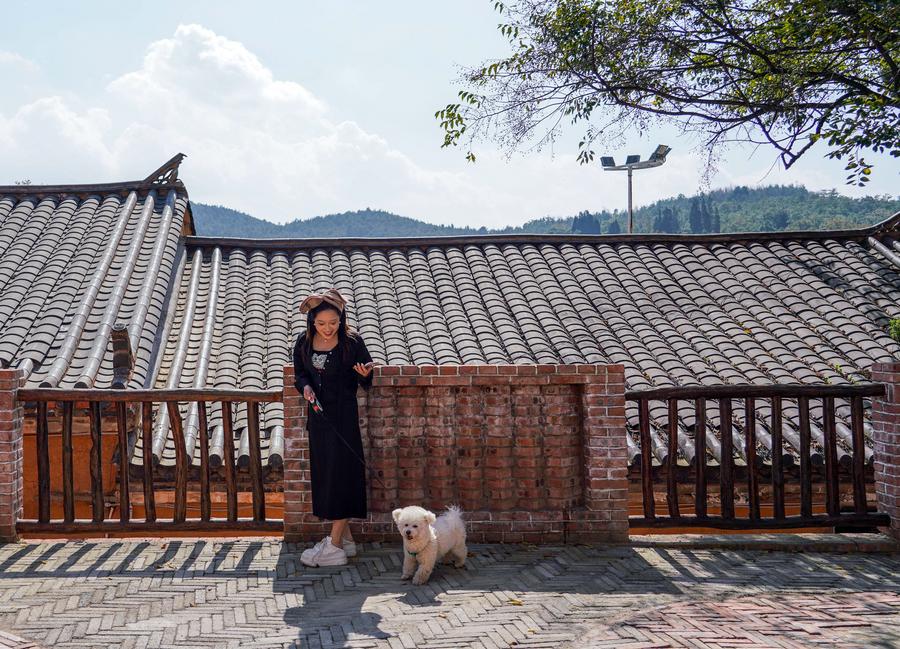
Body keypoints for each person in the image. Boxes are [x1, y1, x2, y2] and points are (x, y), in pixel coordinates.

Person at [292, 288, 374, 567]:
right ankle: (346, 542)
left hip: (344, 418)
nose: (327, 329)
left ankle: (335, 544)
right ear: (312, 322)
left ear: (342, 320)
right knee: (326, 476)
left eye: (333, 323)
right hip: (318, 419)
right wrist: (305, 387)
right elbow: (300, 374)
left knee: (343, 476)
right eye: (321, 323)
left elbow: (366, 376)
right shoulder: (303, 342)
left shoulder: (352, 342)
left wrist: (365, 375)